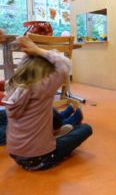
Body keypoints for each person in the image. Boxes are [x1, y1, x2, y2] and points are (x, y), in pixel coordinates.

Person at [2, 36, 92, 170]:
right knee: (85, 129)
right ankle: (64, 127)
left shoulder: (12, 87)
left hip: (16, 155)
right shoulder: (43, 87)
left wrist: (30, 54)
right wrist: (38, 50)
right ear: (46, 74)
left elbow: (24, 66)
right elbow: (65, 63)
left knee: (48, 111)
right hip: (39, 159)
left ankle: (62, 124)